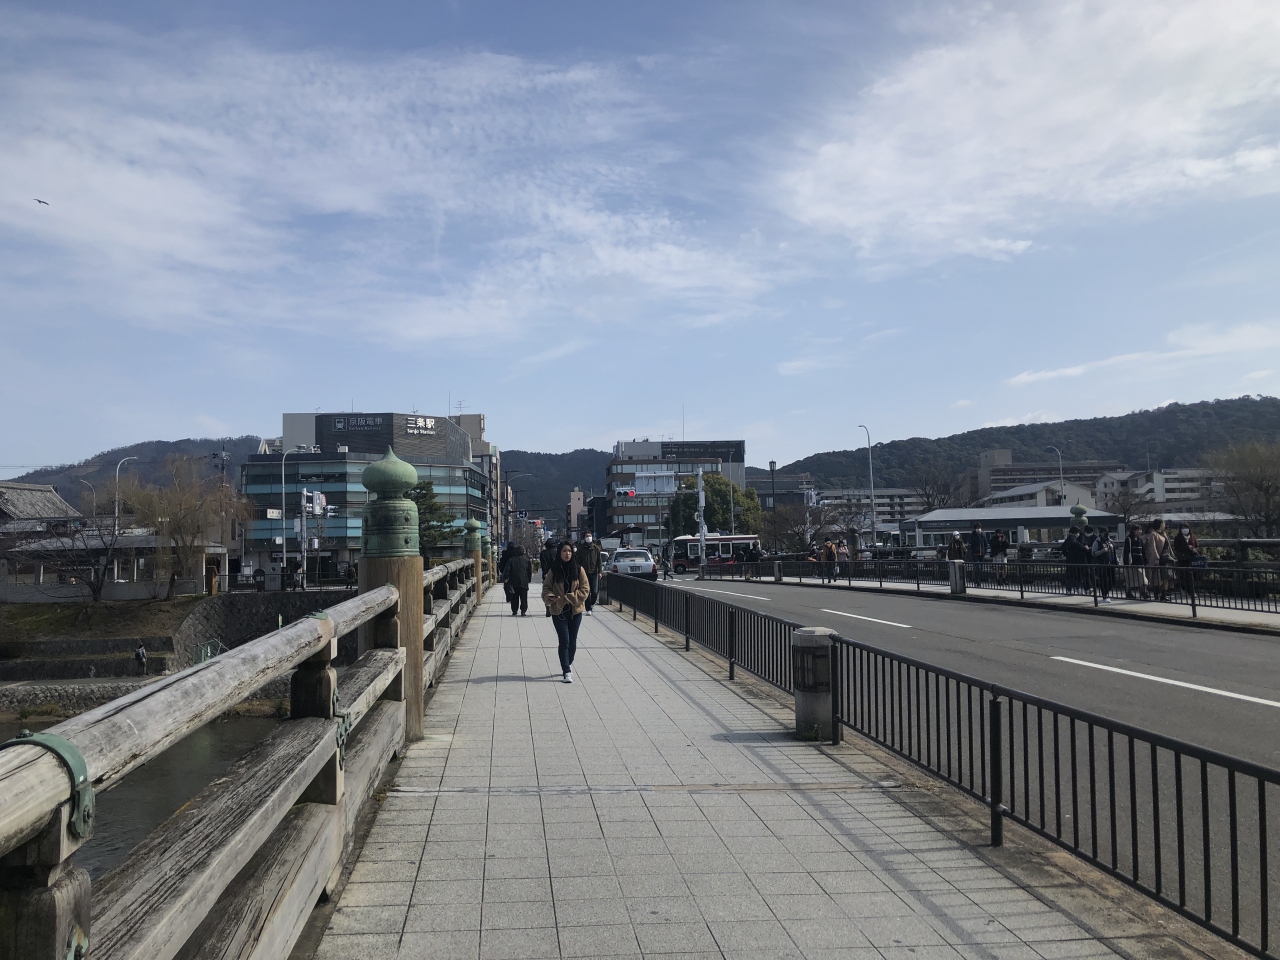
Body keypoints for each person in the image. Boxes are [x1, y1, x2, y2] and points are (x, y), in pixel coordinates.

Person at [542, 541, 590, 683]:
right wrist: (551, 597)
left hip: (575, 612)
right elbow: (546, 589)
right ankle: (566, 670)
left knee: (572, 642)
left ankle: (567, 662)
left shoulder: (579, 570)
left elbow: (585, 589)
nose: (567, 553)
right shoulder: (553, 571)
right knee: (564, 640)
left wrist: (569, 597)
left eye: (569, 551)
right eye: (564, 551)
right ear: (559, 553)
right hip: (559, 611)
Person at [1144, 519, 1175, 601]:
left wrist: (1172, 556)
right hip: (1159, 557)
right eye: (1163, 523)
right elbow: (1153, 547)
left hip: (1166, 556)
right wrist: (1156, 557)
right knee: (1157, 577)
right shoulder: (1153, 534)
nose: (1164, 525)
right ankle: (1157, 594)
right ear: (1160, 524)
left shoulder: (1164, 534)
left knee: (1166, 576)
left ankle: (1164, 594)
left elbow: (1168, 547)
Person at [501, 545, 532, 616]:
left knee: (514, 597)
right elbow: (529, 571)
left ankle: (514, 610)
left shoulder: (511, 560)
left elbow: (507, 570)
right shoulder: (527, 560)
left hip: (513, 581)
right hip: (524, 581)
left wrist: (506, 578)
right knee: (524, 597)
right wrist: (529, 579)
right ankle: (523, 611)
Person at [578, 532, 602, 615]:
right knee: (587, 591)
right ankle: (588, 608)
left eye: (590, 536)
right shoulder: (581, 549)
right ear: (584, 538)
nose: (588, 537)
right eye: (587, 536)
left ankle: (592, 604)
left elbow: (599, 561)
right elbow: (578, 561)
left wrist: (600, 572)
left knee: (595, 591)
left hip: (594, 572)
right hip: (584, 573)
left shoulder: (596, 548)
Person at [1090, 529, 1118, 603]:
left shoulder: (1110, 541)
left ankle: (1106, 592)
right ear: (1101, 533)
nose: (1106, 534)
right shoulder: (1097, 542)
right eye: (1104, 533)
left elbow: (1114, 552)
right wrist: (1102, 551)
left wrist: (1117, 561)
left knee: (1113, 580)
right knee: (1104, 580)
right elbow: (1093, 553)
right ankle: (1104, 596)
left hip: (1111, 564)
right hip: (1102, 564)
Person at [1122, 524, 1148, 599]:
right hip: (1131, 562)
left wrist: (1145, 560)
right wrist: (1126, 563)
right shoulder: (1128, 539)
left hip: (1140, 562)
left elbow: (1143, 551)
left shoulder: (1140, 540)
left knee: (1143, 579)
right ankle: (1128, 592)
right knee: (1130, 579)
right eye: (1139, 530)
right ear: (1134, 531)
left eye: (1141, 530)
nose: (1140, 531)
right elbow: (1126, 552)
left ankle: (1143, 592)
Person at [1062, 526, 1089, 594]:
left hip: (1070, 559)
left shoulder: (1068, 539)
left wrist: (1067, 555)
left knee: (1071, 575)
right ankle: (1074, 588)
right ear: (1075, 532)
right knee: (1076, 575)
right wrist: (1084, 547)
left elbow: (1062, 548)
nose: (1078, 534)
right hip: (1075, 560)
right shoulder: (1072, 538)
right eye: (1078, 532)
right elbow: (1076, 544)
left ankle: (1070, 589)